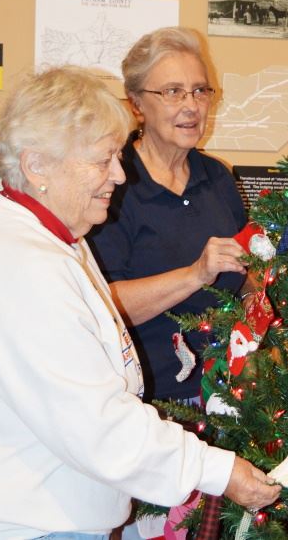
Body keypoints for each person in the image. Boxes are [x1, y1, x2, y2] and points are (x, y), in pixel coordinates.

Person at [0, 66, 280, 539]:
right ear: (36, 166)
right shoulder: (18, 266)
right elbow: (94, 425)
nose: (119, 174)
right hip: (21, 525)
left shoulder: (55, 238)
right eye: (103, 160)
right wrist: (217, 470)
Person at [88, 27, 250, 408]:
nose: (191, 106)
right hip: (146, 401)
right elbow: (103, 305)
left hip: (228, 394)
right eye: (173, 92)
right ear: (136, 105)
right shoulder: (113, 182)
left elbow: (244, 278)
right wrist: (196, 274)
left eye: (200, 90)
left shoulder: (219, 177)